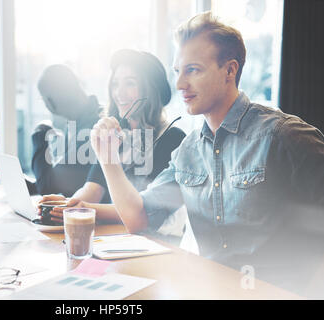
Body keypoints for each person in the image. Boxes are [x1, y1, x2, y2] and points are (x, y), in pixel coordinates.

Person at [88, 12, 324, 296]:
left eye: (193, 70)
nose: (179, 85)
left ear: (230, 71)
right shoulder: (188, 151)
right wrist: (108, 160)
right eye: (178, 71)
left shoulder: (281, 135)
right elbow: (138, 217)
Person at [41, 49, 186, 224]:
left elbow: (141, 211)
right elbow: (92, 190)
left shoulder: (172, 139)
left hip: (157, 243)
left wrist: (81, 209)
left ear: (151, 90)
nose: (120, 93)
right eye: (116, 84)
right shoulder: (116, 137)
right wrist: (67, 204)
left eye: (130, 83)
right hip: (116, 238)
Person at [29, 64, 102, 197]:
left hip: (89, 215)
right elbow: (66, 179)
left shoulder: (91, 129)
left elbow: (47, 187)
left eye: (44, 99)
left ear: (50, 102)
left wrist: (39, 135)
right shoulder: (80, 121)